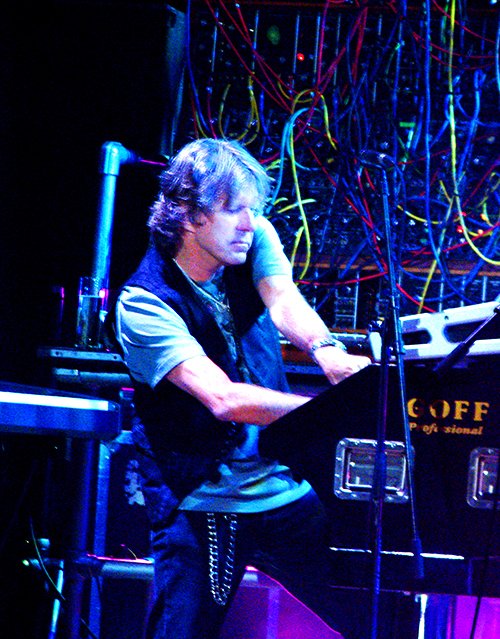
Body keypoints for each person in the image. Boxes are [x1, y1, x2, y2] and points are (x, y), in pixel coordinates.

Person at [112, 138, 374, 639]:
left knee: (371, 615)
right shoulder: (144, 303)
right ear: (191, 216)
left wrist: (327, 350)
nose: (250, 223)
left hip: (283, 486)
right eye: (235, 210)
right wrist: (332, 410)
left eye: (252, 209)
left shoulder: (253, 237)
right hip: (202, 501)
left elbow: (283, 299)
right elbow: (224, 399)